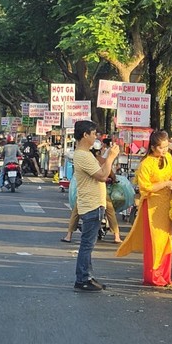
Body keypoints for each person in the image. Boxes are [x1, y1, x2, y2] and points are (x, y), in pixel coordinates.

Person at [116, 130, 172, 286]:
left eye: (166, 147)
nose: (164, 150)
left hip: (166, 205)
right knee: (155, 241)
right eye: (161, 148)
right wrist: (165, 184)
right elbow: (145, 188)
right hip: (151, 206)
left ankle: (165, 275)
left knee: (166, 240)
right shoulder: (146, 164)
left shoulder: (168, 158)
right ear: (152, 147)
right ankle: (154, 276)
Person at [72, 120, 120, 292]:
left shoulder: (86, 154)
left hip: (93, 203)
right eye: (93, 134)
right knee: (87, 245)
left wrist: (107, 158)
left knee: (88, 244)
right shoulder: (83, 155)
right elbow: (102, 175)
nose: (95, 137)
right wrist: (111, 158)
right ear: (85, 135)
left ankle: (88, 276)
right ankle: (82, 278)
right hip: (91, 204)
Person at [61, 143, 122, 244]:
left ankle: (69, 235)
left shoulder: (84, 158)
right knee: (110, 211)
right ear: (99, 151)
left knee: (76, 211)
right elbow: (110, 174)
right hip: (99, 192)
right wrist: (113, 178)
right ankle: (116, 236)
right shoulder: (102, 160)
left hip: (84, 191)